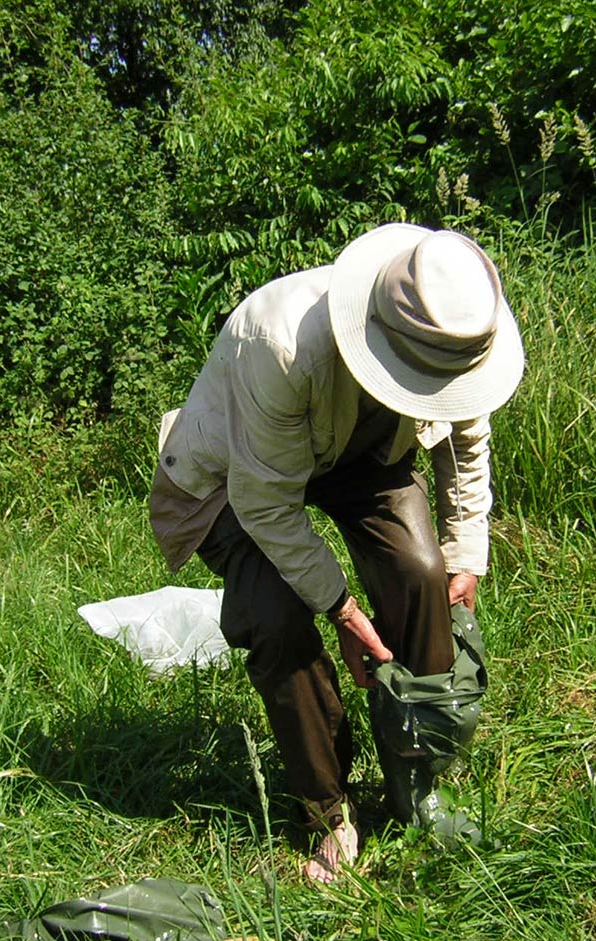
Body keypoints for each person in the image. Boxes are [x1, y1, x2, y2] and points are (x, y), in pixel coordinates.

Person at [149, 223, 524, 883]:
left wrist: (465, 547)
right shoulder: (279, 340)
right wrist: (343, 610)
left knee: (421, 571)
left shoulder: (457, 320)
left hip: (360, 449)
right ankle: (327, 811)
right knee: (274, 616)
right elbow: (266, 504)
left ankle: (414, 782)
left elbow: (465, 434)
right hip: (238, 473)